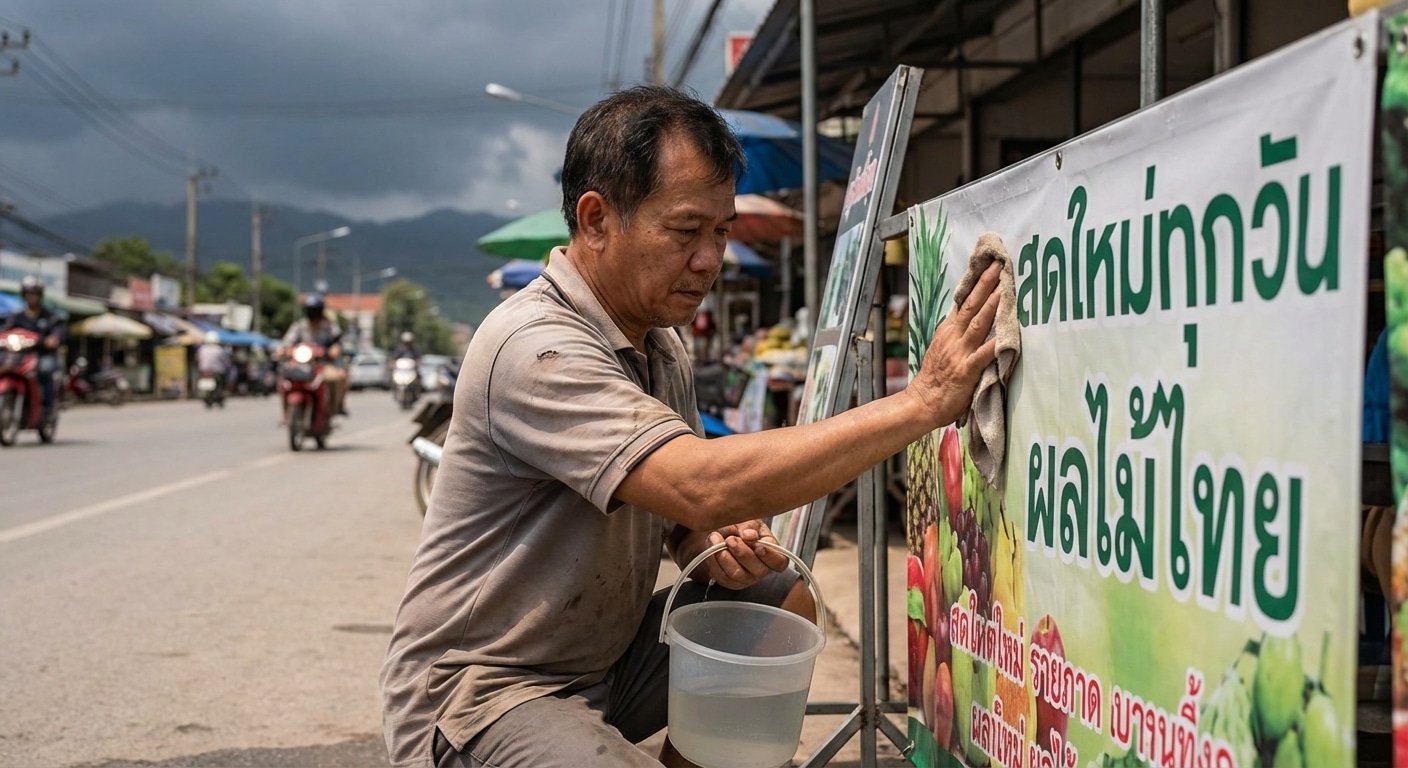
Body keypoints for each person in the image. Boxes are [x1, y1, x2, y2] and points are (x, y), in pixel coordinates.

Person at [378, 85, 1000, 768]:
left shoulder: (659, 343)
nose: (709, 259)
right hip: (485, 691)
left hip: (604, 661)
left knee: (776, 602)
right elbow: (700, 486)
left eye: (721, 232)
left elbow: (684, 513)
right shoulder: (537, 347)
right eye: (685, 231)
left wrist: (709, 539)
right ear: (595, 220)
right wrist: (922, 402)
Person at [1, 276, 65, 416]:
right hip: (19, 355)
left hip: (42, 354)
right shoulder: (16, 316)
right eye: (28, 293)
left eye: (34, 293)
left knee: (45, 370)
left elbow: (56, 335)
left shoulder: (50, 317)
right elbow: (5, 331)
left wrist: (51, 339)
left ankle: (47, 406)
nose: (31, 296)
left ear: (40, 295)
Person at [281, 293, 348, 417]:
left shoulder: (329, 326)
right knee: (283, 381)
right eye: (310, 310)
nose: (313, 313)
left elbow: (338, 342)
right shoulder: (299, 326)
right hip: (301, 365)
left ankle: (334, 407)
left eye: (315, 310)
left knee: (336, 378)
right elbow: (287, 342)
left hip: (323, 364)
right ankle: (285, 413)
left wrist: (334, 350)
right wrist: (283, 350)